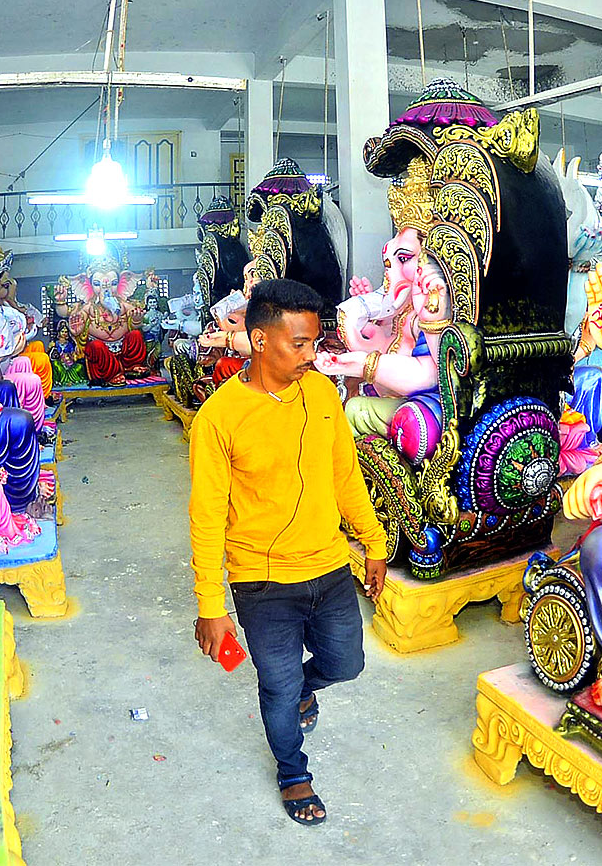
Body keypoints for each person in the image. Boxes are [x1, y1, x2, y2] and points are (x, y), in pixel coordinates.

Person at [188, 278, 388, 827]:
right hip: (261, 580)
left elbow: (346, 476)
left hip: (327, 565)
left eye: (314, 342)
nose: (311, 355)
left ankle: (306, 685)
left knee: (346, 663)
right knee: (276, 685)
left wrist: (374, 543)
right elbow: (206, 519)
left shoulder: (323, 394)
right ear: (258, 340)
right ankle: (293, 773)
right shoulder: (219, 420)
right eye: (298, 344)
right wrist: (211, 605)